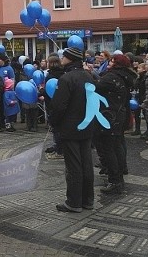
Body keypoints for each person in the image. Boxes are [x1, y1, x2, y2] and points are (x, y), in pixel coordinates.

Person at [49, 47, 96, 213]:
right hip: (87, 126)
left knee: (74, 166)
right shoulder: (88, 77)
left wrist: (53, 122)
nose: (61, 59)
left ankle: (74, 202)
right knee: (86, 164)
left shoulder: (66, 79)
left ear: (69, 59)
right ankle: (88, 200)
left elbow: (59, 106)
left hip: (70, 128)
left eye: (64, 57)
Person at [94, 54, 136, 194]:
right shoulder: (124, 76)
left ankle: (115, 181)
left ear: (117, 63)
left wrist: (89, 74)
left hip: (110, 116)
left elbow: (95, 87)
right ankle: (119, 176)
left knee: (109, 149)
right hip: (119, 114)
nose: (109, 62)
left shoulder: (112, 77)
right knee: (117, 146)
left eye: (112, 60)